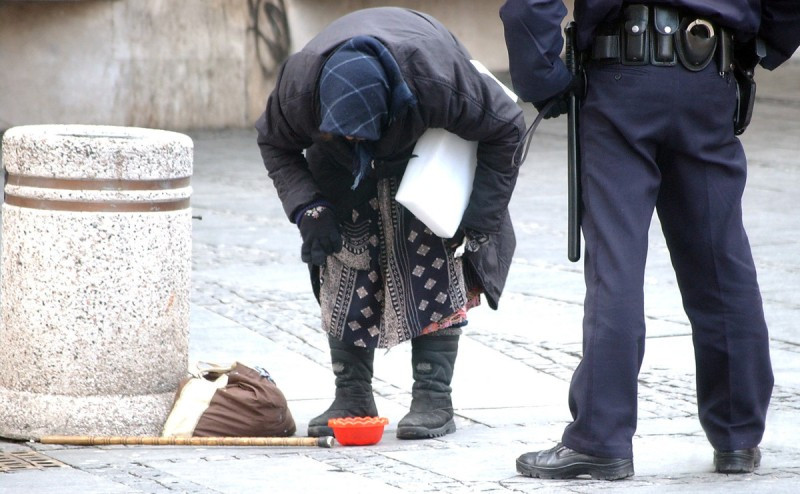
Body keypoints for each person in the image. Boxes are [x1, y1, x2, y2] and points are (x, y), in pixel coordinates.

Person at [500, 0, 800, 481]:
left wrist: (543, 78)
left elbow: (527, 7)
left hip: (622, 77)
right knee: (721, 261)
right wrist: (758, 47)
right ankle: (738, 435)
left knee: (615, 264)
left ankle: (602, 439)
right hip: (710, 72)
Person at [255, 7, 525, 440]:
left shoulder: (439, 80)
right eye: (345, 133)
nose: (354, 141)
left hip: (426, 149)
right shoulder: (299, 93)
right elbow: (274, 144)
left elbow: (508, 129)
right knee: (344, 260)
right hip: (339, 167)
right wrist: (310, 208)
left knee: (435, 252)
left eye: (360, 133)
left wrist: (479, 220)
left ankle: (434, 398)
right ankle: (352, 395)